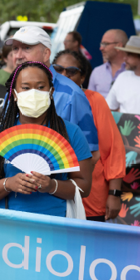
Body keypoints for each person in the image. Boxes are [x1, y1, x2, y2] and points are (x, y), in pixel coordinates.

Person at [0, 61, 93, 216]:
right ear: (14, 94)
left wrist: (52, 186)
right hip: (10, 226)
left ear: (51, 92)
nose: (33, 93)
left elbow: (84, 187)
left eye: (40, 87)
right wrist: (8, 183)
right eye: (25, 87)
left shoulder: (71, 133)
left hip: (56, 226)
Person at [54, 50, 125, 222]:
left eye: (71, 71)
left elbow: (113, 149)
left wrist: (114, 194)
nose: (64, 76)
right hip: (52, 195)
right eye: (58, 70)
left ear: (82, 77)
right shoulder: (45, 100)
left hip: (90, 196)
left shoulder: (95, 100)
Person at [6, 25, 99, 153]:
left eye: (27, 48)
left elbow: (90, 152)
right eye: (15, 49)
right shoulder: (12, 90)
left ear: (46, 54)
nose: (19, 55)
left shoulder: (71, 94)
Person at [106, 36, 140, 114]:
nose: (125, 58)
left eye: (129, 54)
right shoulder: (122, 77)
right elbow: (110, 108)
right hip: (123, 126)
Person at [88, 29, 128, 98]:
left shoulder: (134, 71)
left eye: (105, 44)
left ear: (119, 46)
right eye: (101, 44)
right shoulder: (97, 72)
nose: (101, 48)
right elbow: (89, 101)